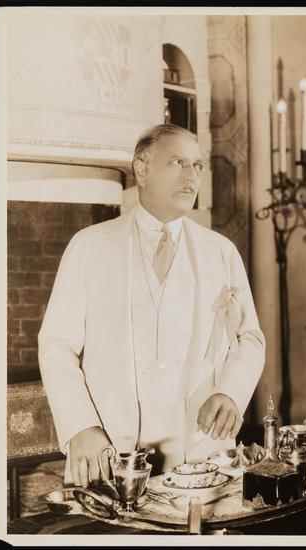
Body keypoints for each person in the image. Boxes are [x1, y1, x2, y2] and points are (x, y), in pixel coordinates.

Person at [39, 124, 265, 487]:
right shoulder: (89, 246)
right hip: (111, 449)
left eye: (197, 166)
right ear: (141, 169)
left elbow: (249, 338)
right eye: (178, 162)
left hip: (200, 451)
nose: (192, 176)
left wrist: (230, 392)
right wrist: (82, 426)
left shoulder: (221, 251)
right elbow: (56, 345)